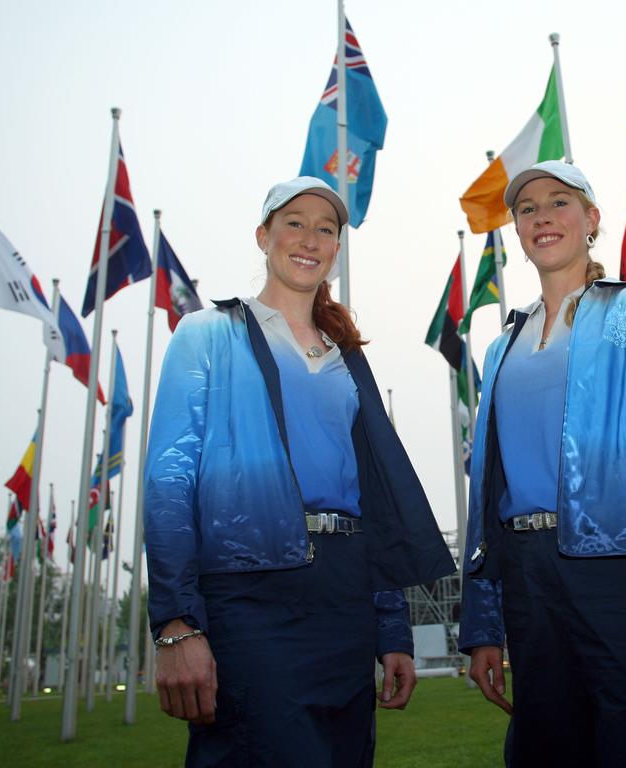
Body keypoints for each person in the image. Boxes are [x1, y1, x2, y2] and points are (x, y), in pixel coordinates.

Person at [144, 176, 455, 767]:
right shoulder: (208, 334)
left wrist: (390, 628)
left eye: (326, 228)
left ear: (336, 248)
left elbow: (373, 499)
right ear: (264, 235)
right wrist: (176, 624)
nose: (309, 237)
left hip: (343, 596)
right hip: (251, 593)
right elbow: (168, 484)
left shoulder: (347, 356)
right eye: (294, 222)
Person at [459, 160, 626, 767]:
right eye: (527, 209)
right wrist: (481, 622)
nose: (542, 217)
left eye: (559, 203)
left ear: (592, 219)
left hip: (623, 573)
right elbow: (486, 493)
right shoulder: (501, 347)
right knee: (546, 748)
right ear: (517, 230)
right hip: (527, 579)